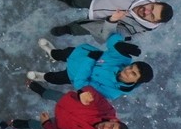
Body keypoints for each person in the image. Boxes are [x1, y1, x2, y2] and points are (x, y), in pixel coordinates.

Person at [26, 33, 154, 100]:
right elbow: (112, 37)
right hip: (79, 54)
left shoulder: (112, 92)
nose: (128, 70)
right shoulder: (123, 59)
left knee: (54, 78)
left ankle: (42, 77)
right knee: (60, 53)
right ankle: (52, 54)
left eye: (134, 74)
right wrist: (118, 44)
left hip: (74, 75)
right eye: (132, 67)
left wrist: (90, 60)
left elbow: (81, 85)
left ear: (137, 81)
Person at [5, 87, 127, 129]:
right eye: (111, 126)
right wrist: (85, 94)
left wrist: (47, 124)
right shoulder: (107, 111)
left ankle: (19, 123)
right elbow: (93, 94)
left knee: (39, 126)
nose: (105, 128)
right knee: (53, 94)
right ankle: (37, 88)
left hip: (60, 124)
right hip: (68, 102)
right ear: (114, 121)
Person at [50, 0, 173, 41]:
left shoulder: (138, 29)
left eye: (151, 16)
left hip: (99, 23)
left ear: (155, 22)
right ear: (155, 2)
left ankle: (68, 29)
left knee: (82, 28)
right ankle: (71, 1)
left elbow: (109, 36)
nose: (146, 11)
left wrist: (112, 20)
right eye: (151, 8)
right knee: (78, 0)